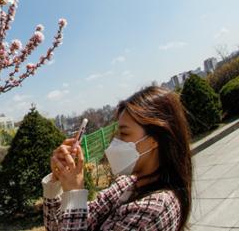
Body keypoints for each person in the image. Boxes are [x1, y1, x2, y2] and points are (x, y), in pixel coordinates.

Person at [42, 86, 192, 230]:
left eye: (124, 134)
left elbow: (73, 221)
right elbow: (61, 225)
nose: (115, 142)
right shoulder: (127, 185)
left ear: (153, 141)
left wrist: (74, 194)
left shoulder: (154, 210)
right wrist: (57, 180)